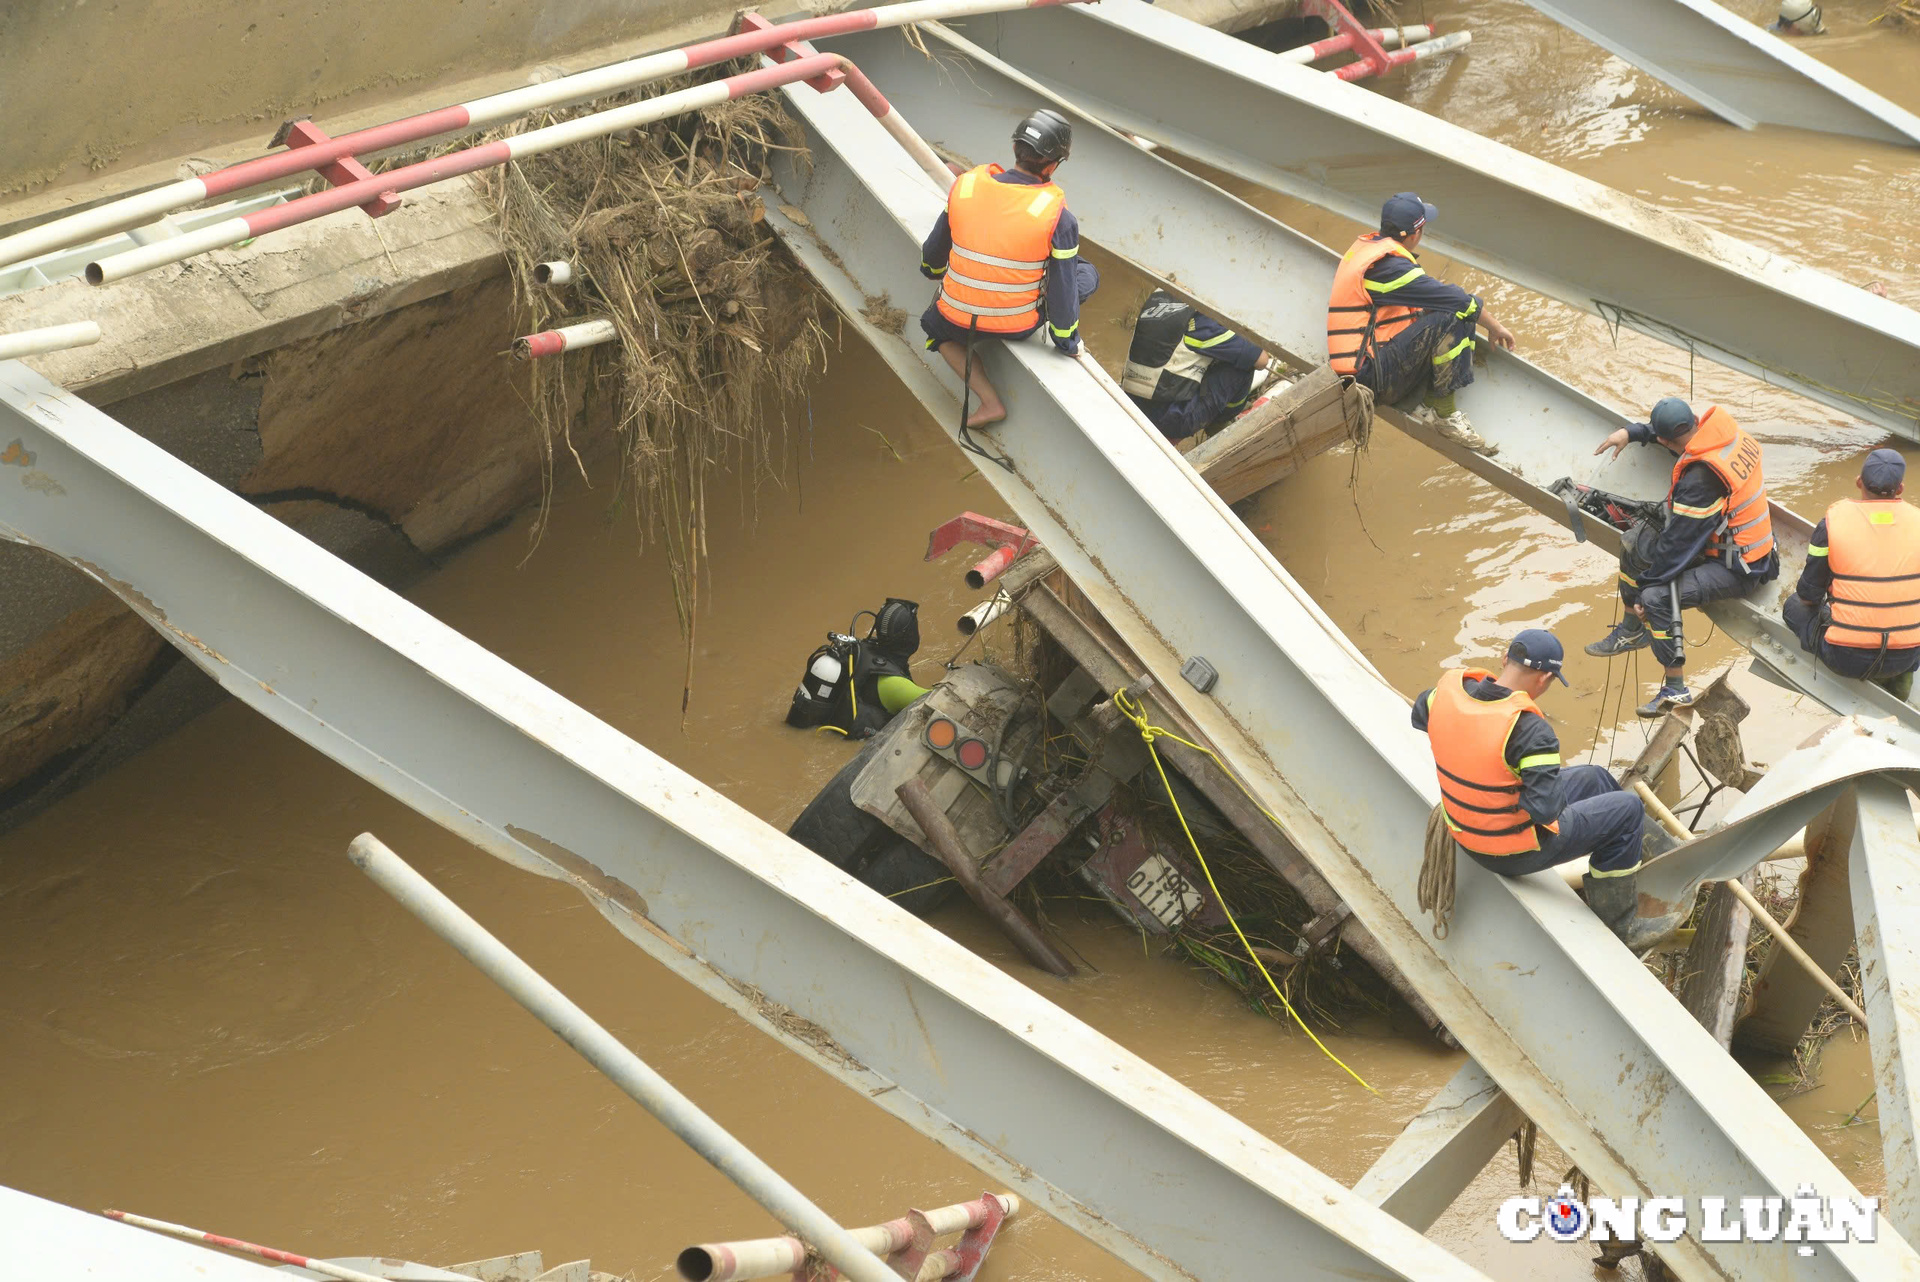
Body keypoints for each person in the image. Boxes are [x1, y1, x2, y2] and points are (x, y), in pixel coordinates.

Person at [1413, 630, 1648, 944]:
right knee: (1630, 810)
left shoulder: (1444, 694)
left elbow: (1419, 715)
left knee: (1595, 777)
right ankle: (1622, 922)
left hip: (1464, 828)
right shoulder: (1531, 732)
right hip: (1510, 851)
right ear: (1546, 678)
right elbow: (1545, 810)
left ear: (1505, 659)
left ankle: (1630, 853)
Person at [1586, 397, 1778, 718]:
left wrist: (1646, 590)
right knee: (1635, 544)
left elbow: (1678, 547)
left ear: (1665, 442)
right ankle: (1632, 631)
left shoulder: (1702, 479)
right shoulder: (1722, 432)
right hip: (1742, 540)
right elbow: (1666, 430)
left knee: (1656, 596)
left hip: (1741, 566)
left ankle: (1676, 689)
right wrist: (1632, 433)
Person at [919, 109, 1100, 428]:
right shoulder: (1057, 214)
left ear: (1016, 148)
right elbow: (1061, 291)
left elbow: (934, 251)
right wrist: (1066, 340)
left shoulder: (965, 186)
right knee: (1084, 272)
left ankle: (989, 402)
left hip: (955, 319)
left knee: (935, 331)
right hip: (1017, 324)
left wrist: (931, 270)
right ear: (1053, 163)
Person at [1326, 191, 1516, 457]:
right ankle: (1444, 416)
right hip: (1371, 378)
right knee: (1453, 314)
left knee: (1438, 309)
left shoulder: (1371, 253)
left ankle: (1428, 400)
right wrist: (1495, 326)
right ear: (1415, 234)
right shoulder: (1391, 270)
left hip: (1363, 370)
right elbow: (1457, 300)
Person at [1783, 448, 1920, 701]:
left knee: (1793, 608)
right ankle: (1901, 680)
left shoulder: (1832, 523)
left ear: (1859, 482)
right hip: (1906, 656)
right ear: (1900, 489)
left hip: (1846, 658)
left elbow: (1808, 596)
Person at [1121, 288, 1276, 442]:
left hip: (1129, 399)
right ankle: (1220, 422)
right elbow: (1262, 361)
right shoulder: (1205, 323)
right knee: (1244, 366)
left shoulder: (1160, 294)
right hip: (1170, 420)